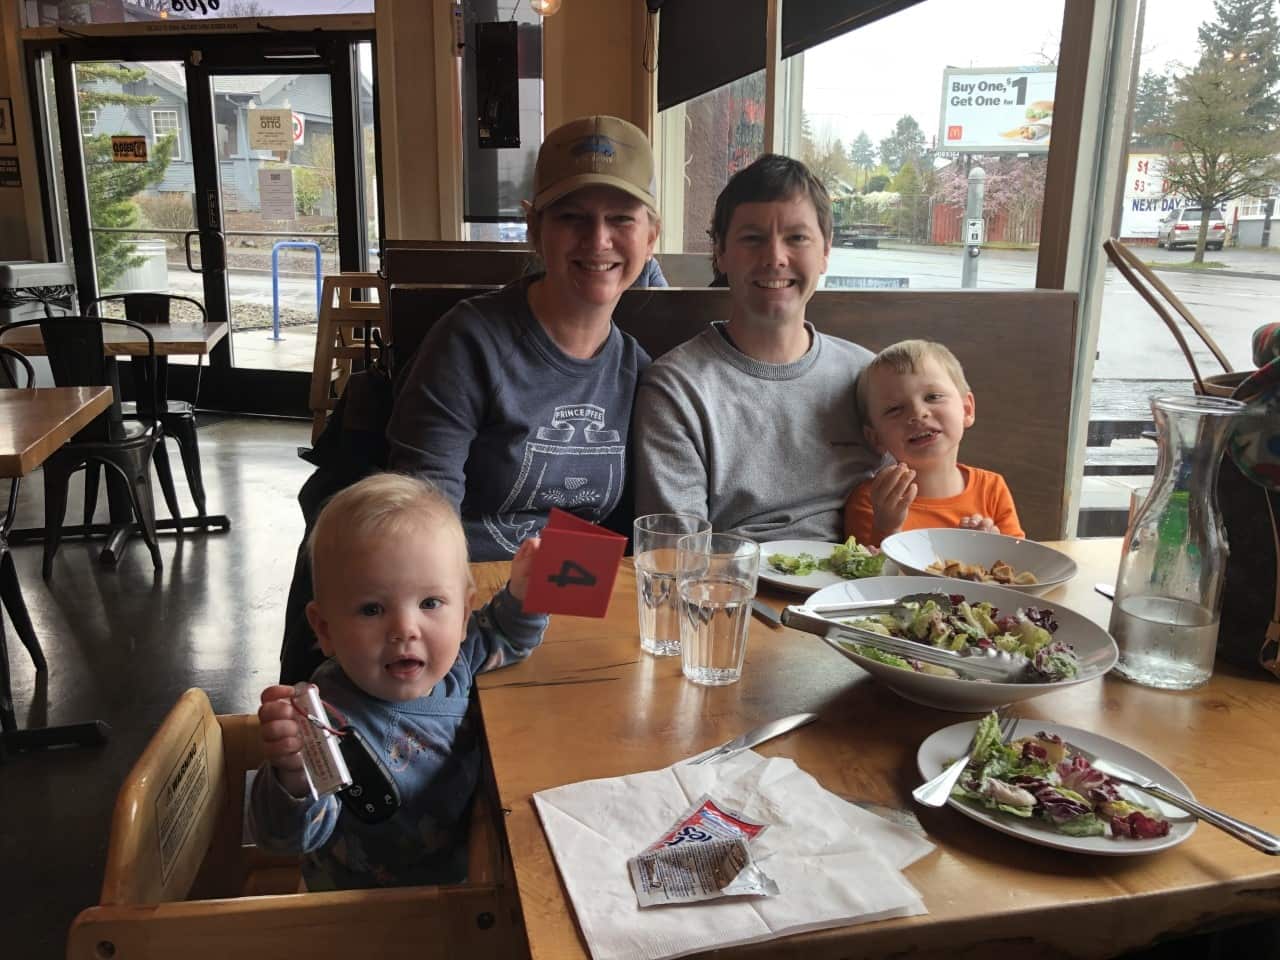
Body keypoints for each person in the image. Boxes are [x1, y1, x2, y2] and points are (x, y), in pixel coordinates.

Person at [251, 472, 546, 891]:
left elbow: (504, 636)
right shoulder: (329, 721)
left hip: (465, 872)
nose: (405, 628)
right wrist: (294, 774)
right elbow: (285, 838)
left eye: (430, 603)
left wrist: (525, 594)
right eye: (372, 609)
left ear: (463, 614)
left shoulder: (453, 662)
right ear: (325, 629)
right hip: (370, 916)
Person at [386, 114, 659, 561]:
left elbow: (632, 536)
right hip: (465, 590)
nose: (598, 239)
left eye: (621, 219)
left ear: (651, 239)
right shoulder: (469, 342)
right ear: (534, 229)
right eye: (573, 217)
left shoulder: (640, 370)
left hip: (576, 597)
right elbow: (424, 514)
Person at [633, 153, 881, 541]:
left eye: (797, 238)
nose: (775, 258)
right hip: (734, 593)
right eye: (753, 239)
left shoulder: (869, 377)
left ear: (826, 252)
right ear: (720, 253)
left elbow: (913, 512)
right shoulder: (676, 388)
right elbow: (679, 553)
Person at [843, 339, 1024, 547]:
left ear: (967, 410)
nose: (918, 413)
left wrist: (986, 550)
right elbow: (868, 576)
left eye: (933, 397)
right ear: (875, 437)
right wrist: (887, 527)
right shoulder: (872, 500)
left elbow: (1016, 570)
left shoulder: (992, 489)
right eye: (894, 409)